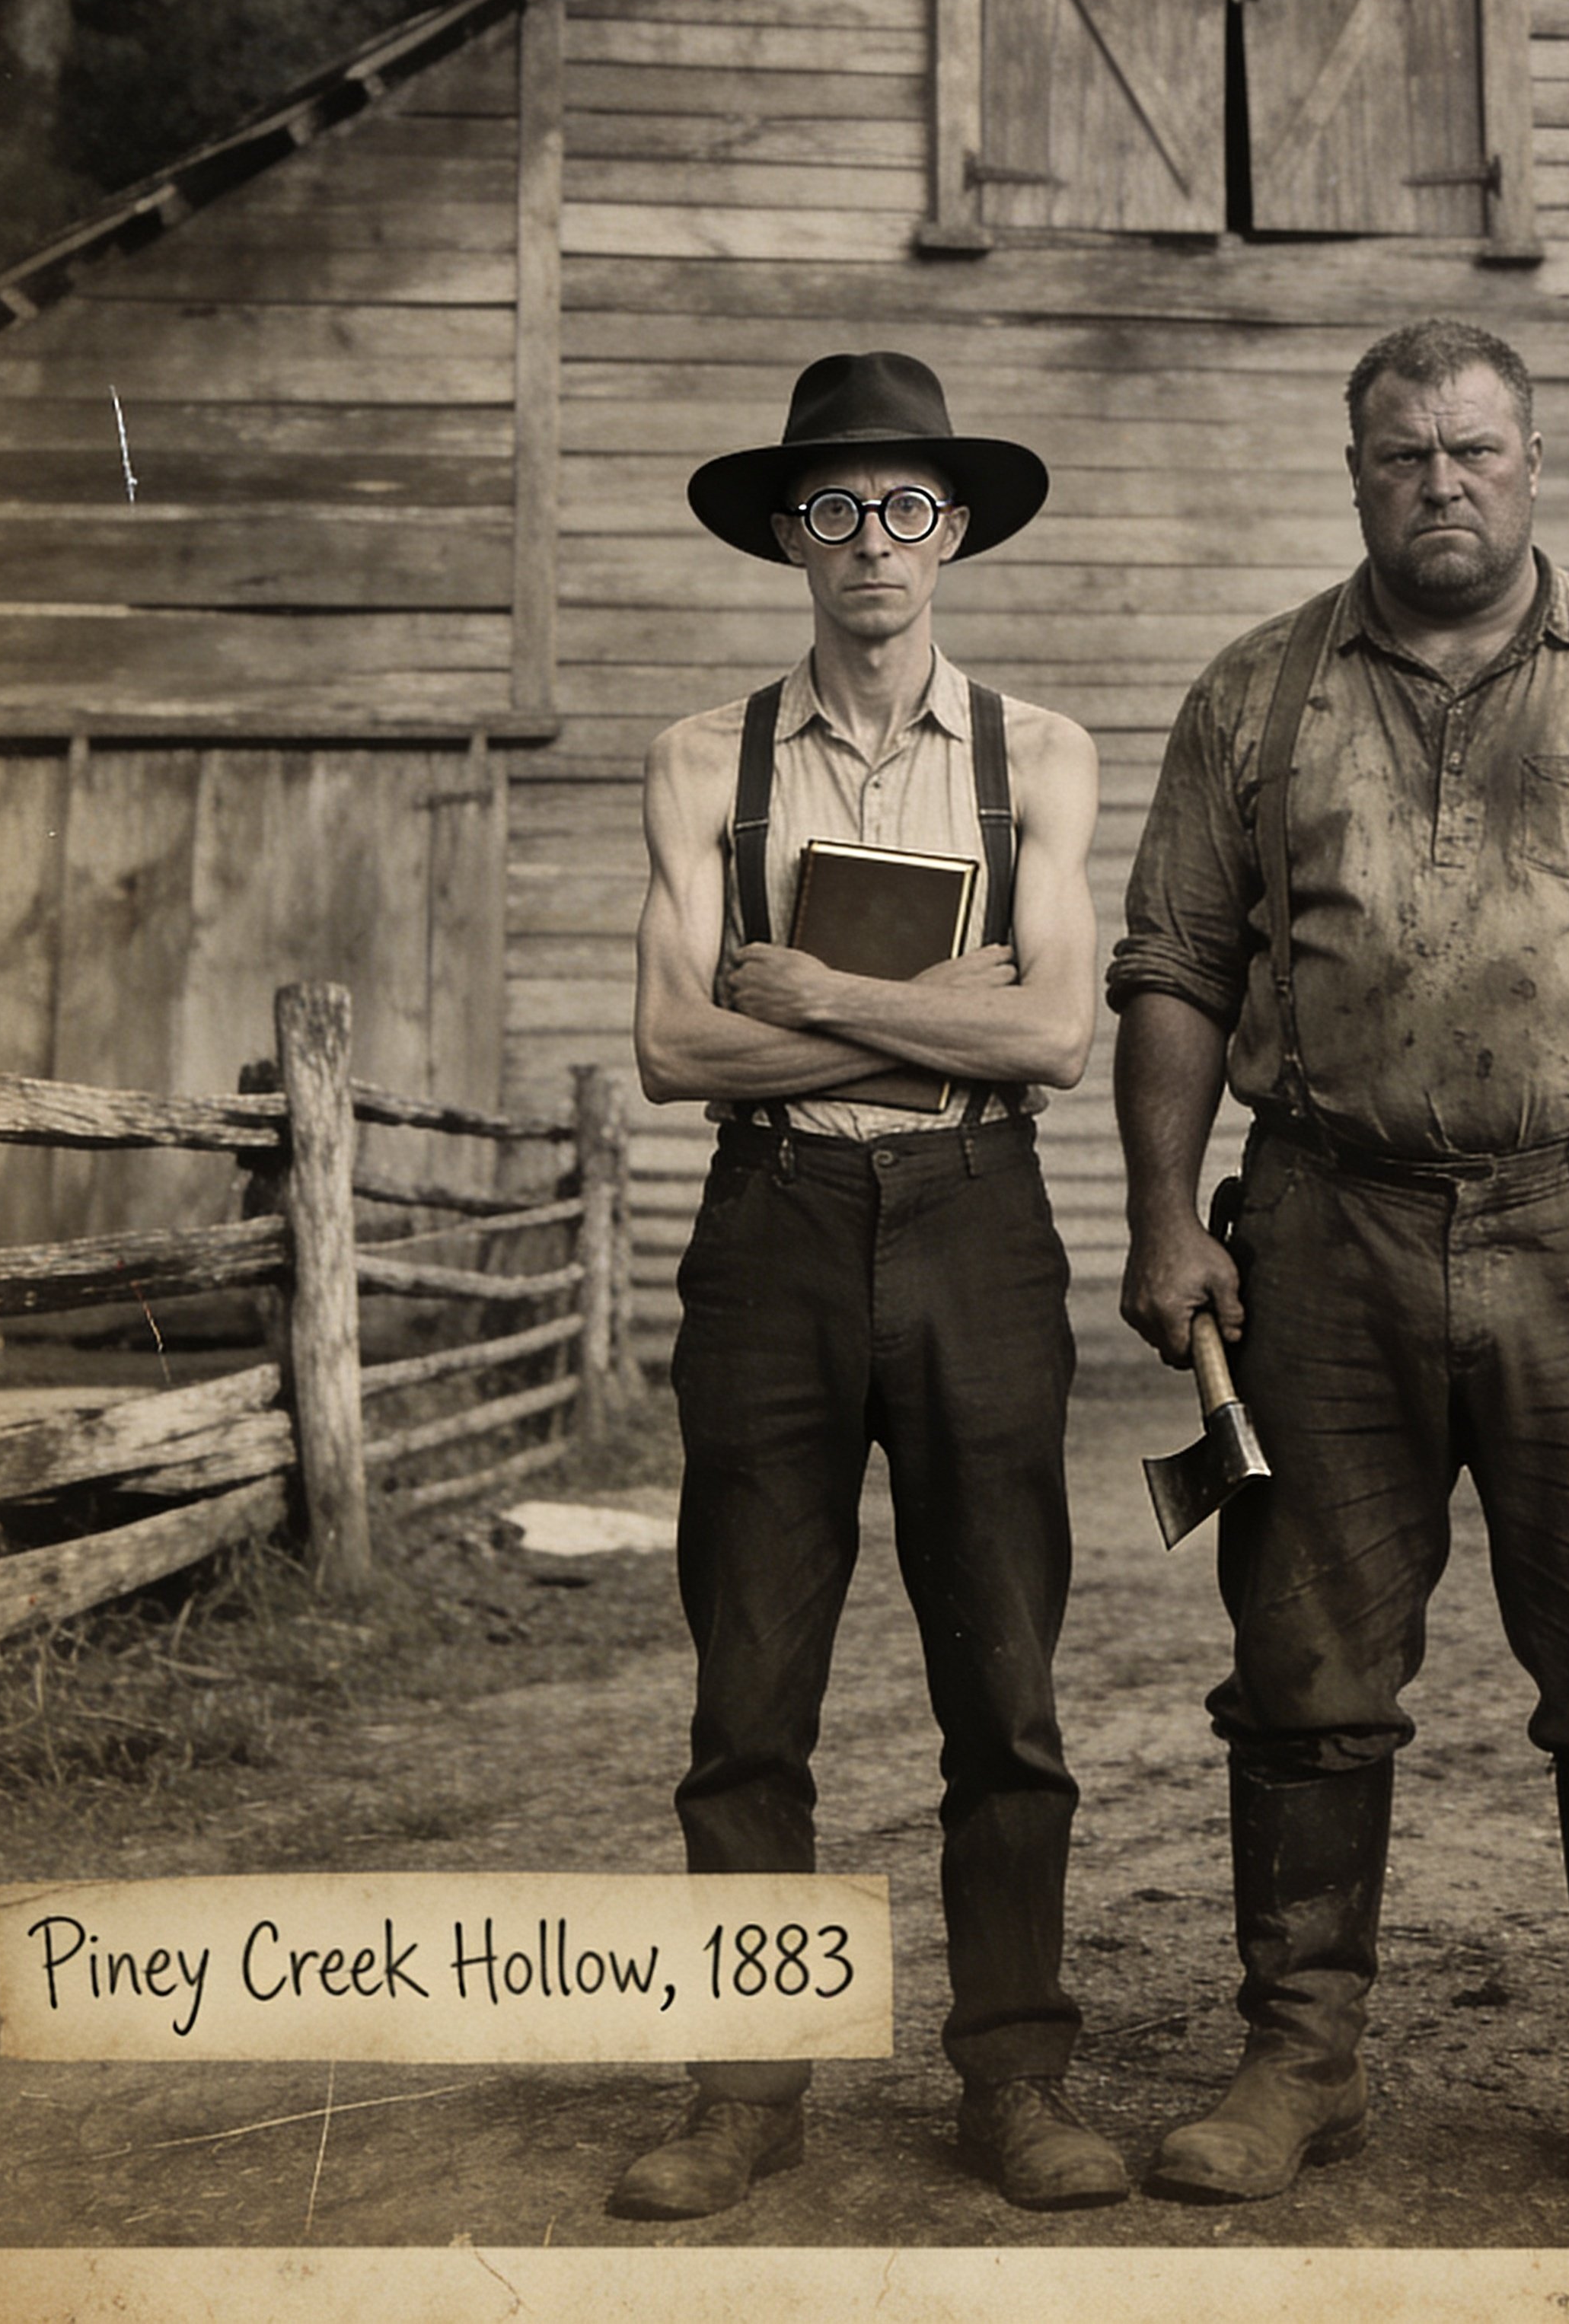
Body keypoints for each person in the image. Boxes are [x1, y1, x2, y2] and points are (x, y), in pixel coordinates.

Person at [1111, 317, 1569, 2225]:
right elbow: (1175, 968)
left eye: (1475, 451)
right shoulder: (1253, 694)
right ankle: (1297, 2059)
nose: (1442, 481)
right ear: (1354, 476)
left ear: (1532, 461)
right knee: (1302, 1661)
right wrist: (1164, 1211)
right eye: (1402, 455)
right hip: (1318, 1229)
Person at [611, 349, 1126, 2220]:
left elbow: (1058, 1034)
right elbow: (674, 1050)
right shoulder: (697, 760)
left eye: (908, 506)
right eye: (831, 508)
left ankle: (1016, 2077)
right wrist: (943, 1017)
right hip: (771, 1238)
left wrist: (816, 995)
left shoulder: (1042, 757)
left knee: (1005, 1683)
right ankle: (749, 2091)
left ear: (957, 529)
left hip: (981, 1227)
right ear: (785, 536)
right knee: (750, 1685)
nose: (872, 543)